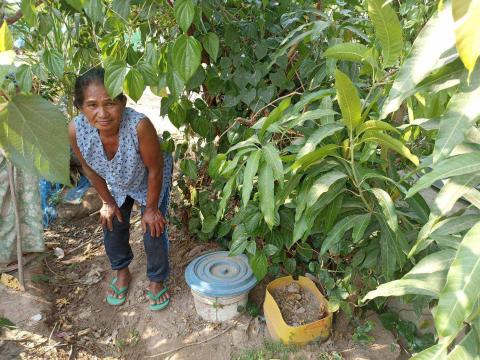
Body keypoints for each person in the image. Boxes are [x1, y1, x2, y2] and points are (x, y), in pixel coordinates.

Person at [68, 67, 173, 310]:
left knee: (153, 228)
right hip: (115, 179)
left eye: (110, 103)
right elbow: (89, 168)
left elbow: (155, 169)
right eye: (92, 105)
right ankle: (122, 272)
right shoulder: (76, 130)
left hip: (149, 177)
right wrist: (107, 202)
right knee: (111, 222)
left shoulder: (139, 126)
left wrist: (150, 209)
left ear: (123, 102)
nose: (102, 113)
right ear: (80, 107)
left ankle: (157, 280)